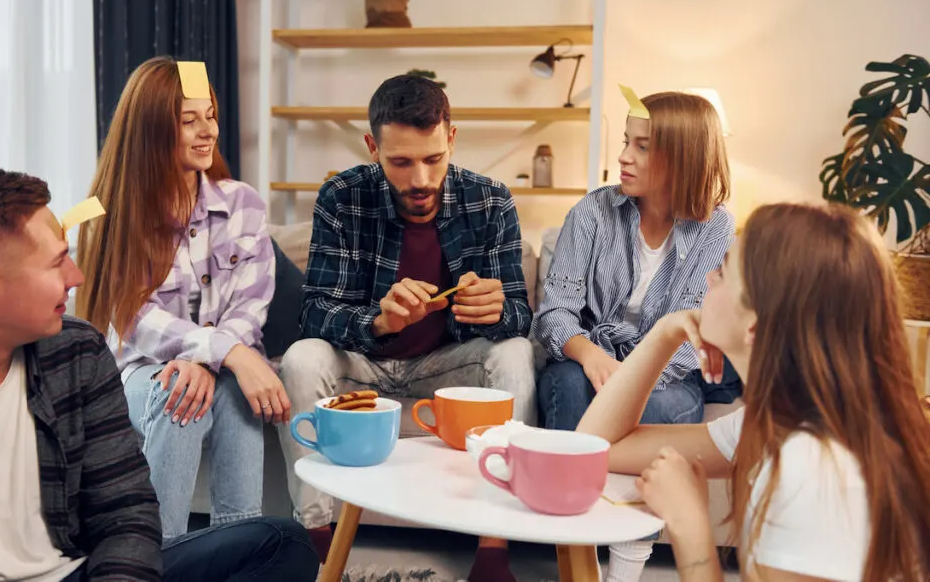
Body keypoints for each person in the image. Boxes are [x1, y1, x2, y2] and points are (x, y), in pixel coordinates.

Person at [0, 168, 319, 582]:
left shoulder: (77, 351)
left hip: (82, 573)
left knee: (283, 544)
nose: (77, 277)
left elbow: (126, 516)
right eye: (56, 263)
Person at [577, 202, 930, 582]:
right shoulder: (781, 423)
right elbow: (596, 447)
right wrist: (663, 334)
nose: (709, 278)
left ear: (755, 327)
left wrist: (690, 527)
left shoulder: (815, 468)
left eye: (724, 272)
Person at [277, 74, 536, 582]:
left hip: (447, 370)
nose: (420, 178)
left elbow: (521, 317)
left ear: (451, 139)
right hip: (364, 368)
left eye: (433, 159)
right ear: (372, 146)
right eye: (400, 162)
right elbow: (314, 315)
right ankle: (315, 540)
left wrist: (497, 308)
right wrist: (378, 319)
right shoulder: (342, 196)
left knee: (516, 354)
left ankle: (493, 549)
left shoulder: (490, 201)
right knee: (303, 355)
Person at [76, 56, 289, 541]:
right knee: (182, 394)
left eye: (210, 114)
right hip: (137, 371)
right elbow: (134, 318)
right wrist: (225, 352)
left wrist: (214, 359)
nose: (207, 131)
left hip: (217, 368)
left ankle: (239, 550)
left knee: (233, 392)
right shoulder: (108, 210)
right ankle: (159, 553)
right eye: (188, 120)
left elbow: (250, 308)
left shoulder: (243, 204)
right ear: (152, 129)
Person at [532, 91, 739, 580]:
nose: (623, 156)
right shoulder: (592, 213)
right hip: (587, 360)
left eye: (642, 146)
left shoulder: (716, 229)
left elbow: (690, 336)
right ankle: (573, 551)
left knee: (661, 409)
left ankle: (625, 567)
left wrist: (632, 377)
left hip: (667, 376)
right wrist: (589, 356)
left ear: (683, 156)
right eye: (627, 142)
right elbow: (554, 312)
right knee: (566, 385)